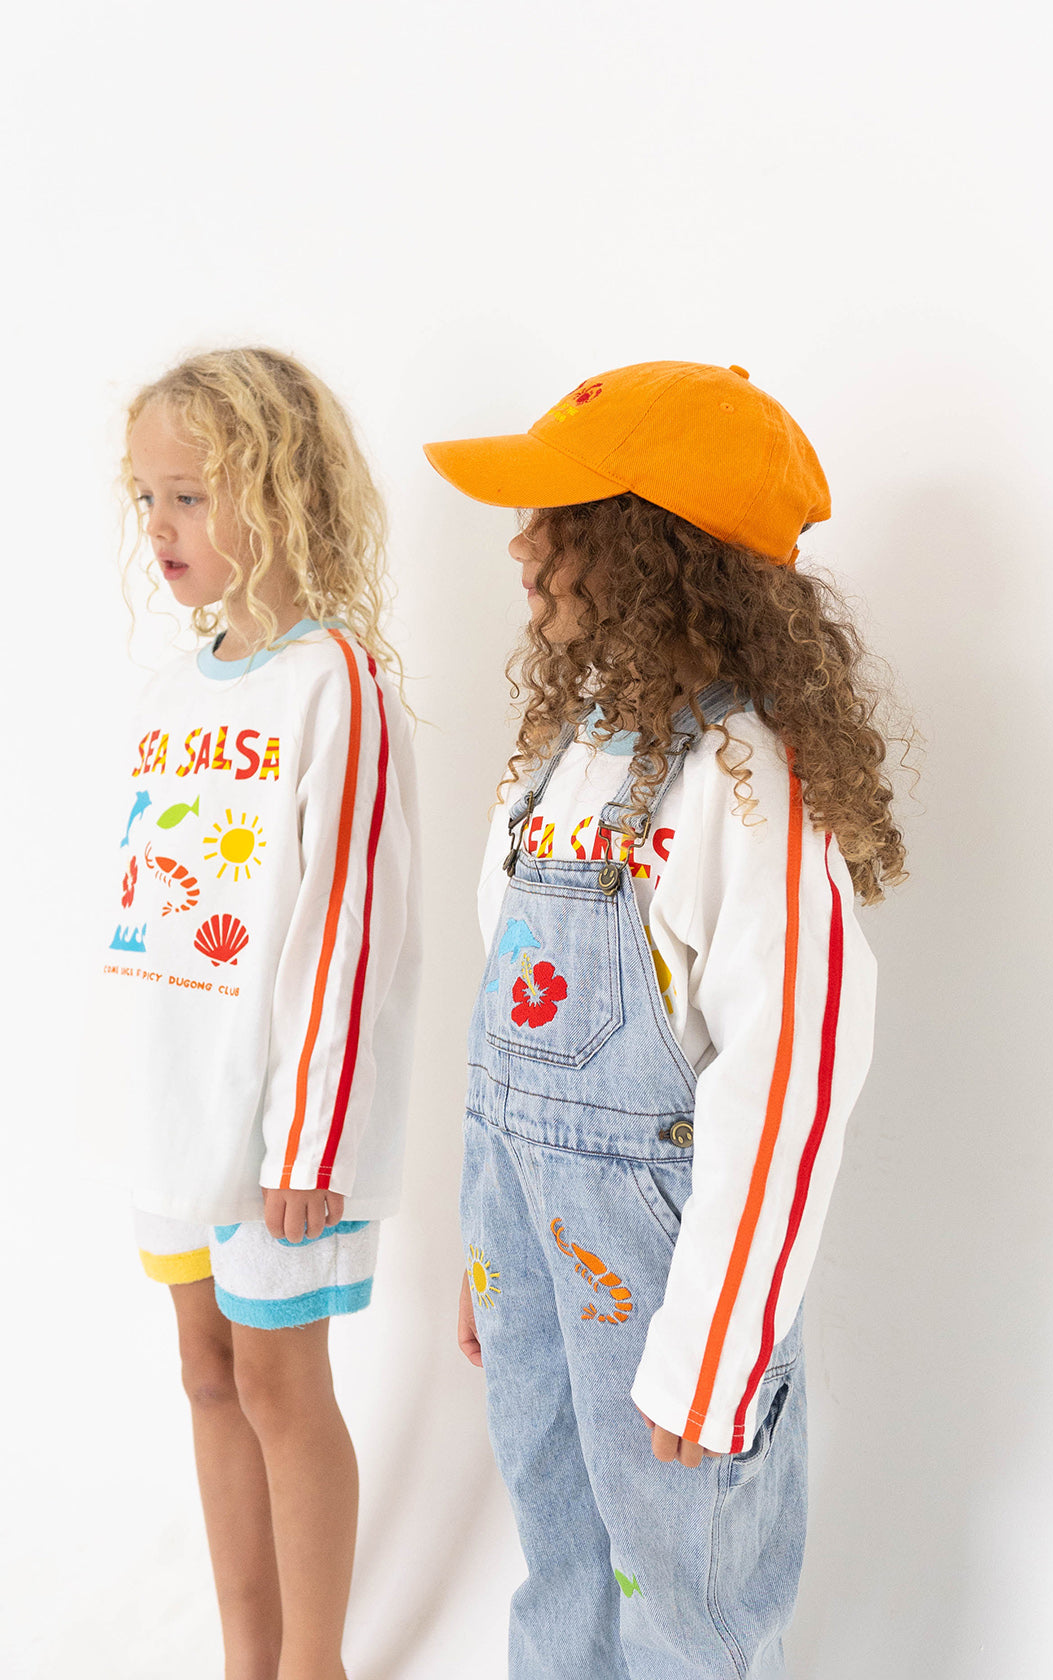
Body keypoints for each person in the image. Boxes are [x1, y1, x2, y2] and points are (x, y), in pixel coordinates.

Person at [423, 361, 901, 1678]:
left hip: (672, 1284)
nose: (521, 548)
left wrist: (719, 1349)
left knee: (682, 1596)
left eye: (552, 520)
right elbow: (503, 1017)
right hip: (537, 1255)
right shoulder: (560, 752)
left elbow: (794, 1074)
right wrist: (488, 1237)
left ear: (647, 548)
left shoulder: (748, 778)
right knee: (564, 1554)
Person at [109, 347, 420, 1680]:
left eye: (187, 497)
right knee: (204, 1369)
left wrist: (313, 1140)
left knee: (282, 1385)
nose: (158, 530)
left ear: (280, 494)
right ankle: (245, 1656)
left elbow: (357, 931)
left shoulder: (333, 683)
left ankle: (313, 1666)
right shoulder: (179, 682)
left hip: (281, 1121)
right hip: (172, 1103)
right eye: (143, 501)